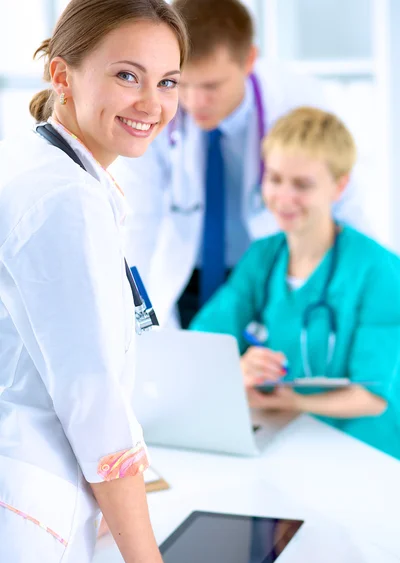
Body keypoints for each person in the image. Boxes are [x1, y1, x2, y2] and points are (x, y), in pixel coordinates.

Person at [0, 1, 277, 563]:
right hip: (26, 516)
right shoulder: (64, 200)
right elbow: (95, 410)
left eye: (167, 81)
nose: (153, 104)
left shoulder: (50, 171)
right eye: (128, 75)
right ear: (62, 76)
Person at [111, 0, 370, 329]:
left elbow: (345, 205)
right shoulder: (154, 109)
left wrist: (368, 290)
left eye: (211, 86)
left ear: (248, 60)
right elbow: (138, 222)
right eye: (182, 84)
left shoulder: (298, 101)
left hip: (271, 272)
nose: (193, 102)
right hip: (190, 276)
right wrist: (136, 318)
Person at [190, 106, 400, 461]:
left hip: (367, 454)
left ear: (340, 185)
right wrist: (238, 368)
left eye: (302, 185)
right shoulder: (263, 257)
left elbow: (373, 396)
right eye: (274, 179)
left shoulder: (380, 270)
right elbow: (204, 342)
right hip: (285, 442)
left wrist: (294, 400)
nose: (283, 198)